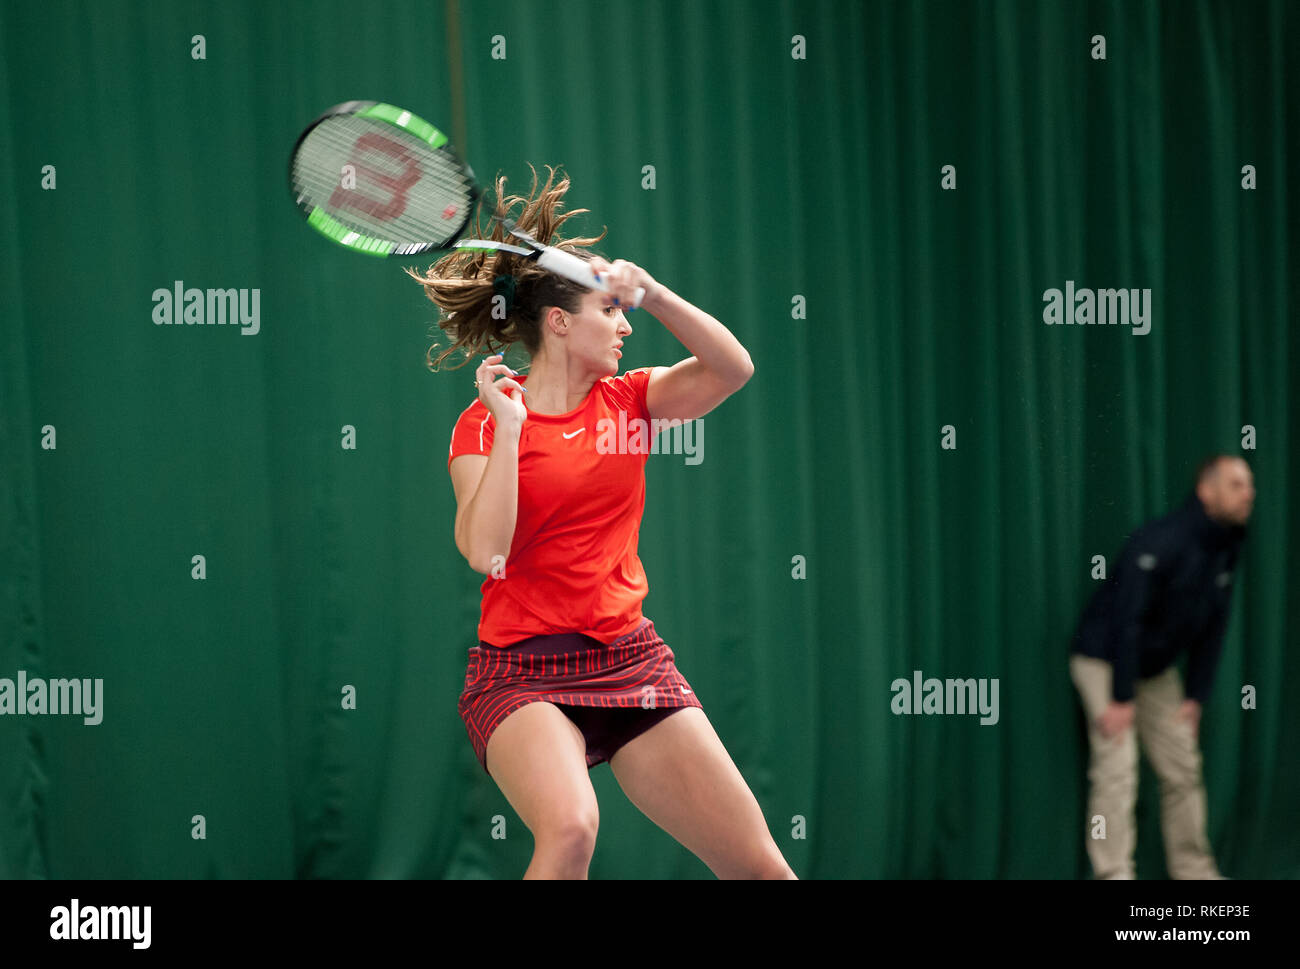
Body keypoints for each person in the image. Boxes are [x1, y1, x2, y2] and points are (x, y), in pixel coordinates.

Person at [409, 167, 796, 880]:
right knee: (572, 828)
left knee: (760, 867)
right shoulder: (486, 421)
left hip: (631, 661)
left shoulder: (633, 401)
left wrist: (652, 291)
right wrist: (511, 426)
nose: (625, 324)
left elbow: (732, 367)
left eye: (627, 311)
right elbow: (484, 549)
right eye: (611, 311)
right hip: (520, 672)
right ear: (559, 322)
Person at [1069, 455, 1254, 879]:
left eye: (1249, 486)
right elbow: (1126, 619)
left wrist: (1195, 696)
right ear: (1207, 491)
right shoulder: (1160, 540)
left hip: (1154, 669)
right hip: (1104, 658)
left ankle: (1193, 871)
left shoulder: (1228, 546)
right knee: (1117, 768)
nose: (1249, 494)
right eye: (1237, 484)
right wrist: (1120, 696)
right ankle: (1113, 873)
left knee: (1182, 768)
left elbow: (1215, 624)